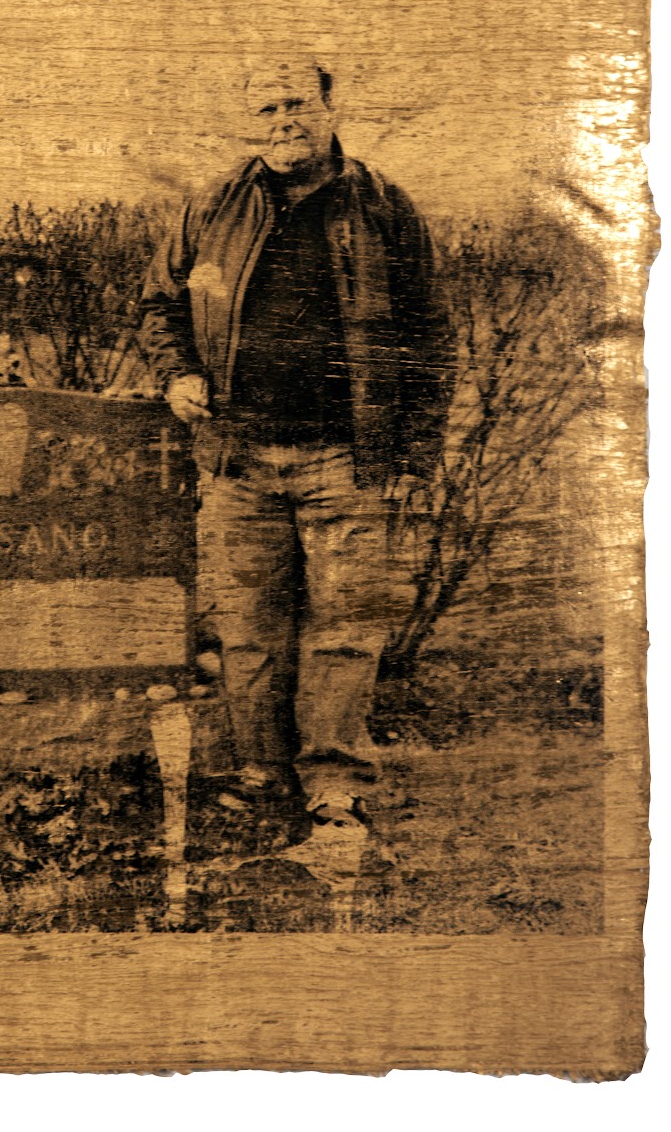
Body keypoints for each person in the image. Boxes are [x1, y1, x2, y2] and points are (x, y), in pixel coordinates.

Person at [139, 59, 455, 844]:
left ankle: (334, 787)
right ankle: (259, 771)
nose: (283, 121)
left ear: (327, 107)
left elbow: (431, 336)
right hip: (238, 460)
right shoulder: (209, 207)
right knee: (247, 629)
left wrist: (413, 452)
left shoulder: (383, 207)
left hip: (347, 461)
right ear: (247, 121)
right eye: (266, 108)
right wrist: (177, 370)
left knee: (344, 627)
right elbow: (157, 305)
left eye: (296, 104)